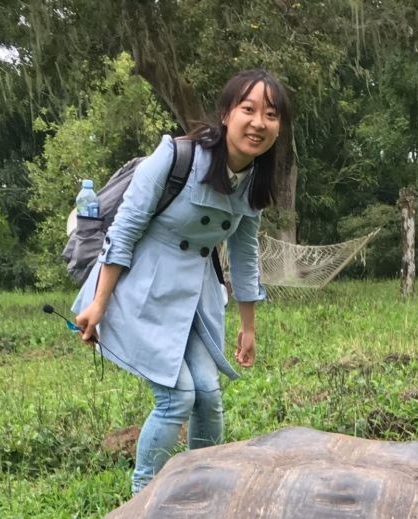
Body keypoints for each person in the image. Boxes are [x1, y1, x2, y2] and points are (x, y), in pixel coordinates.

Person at [72, 69, 291, 493]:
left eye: (271, 114)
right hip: (142, 287)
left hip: (194, 294)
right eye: (248, 109)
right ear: (227, 113)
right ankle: (142, 498)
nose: (259, 123)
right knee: (177, 397)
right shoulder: (176, 156)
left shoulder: (252, 185)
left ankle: (202, 489)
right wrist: (99, 303)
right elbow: (127, 227)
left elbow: (245, 259)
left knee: (208, 393)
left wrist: (248, 327)